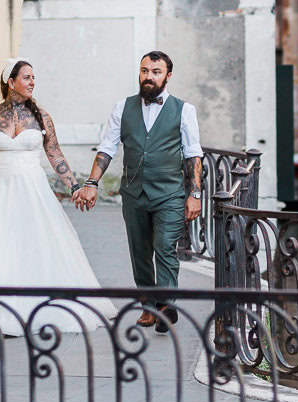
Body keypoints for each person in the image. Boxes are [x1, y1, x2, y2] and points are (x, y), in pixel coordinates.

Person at [0, 58, 105, 326]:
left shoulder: (42, 116)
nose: (32, 82)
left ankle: (37, 306)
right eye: (26, 77)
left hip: (32, 190)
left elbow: (54, 153)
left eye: (33, 78)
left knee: (35, 244)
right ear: (10, 82)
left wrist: (75, 186)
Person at [72, 52, 202, 325]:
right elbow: (107, 148)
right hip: (133, 192)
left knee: (165, 248)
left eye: (156, 71)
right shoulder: (122, 107)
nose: (149, 76)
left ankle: (165, 307)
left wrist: (195, 194)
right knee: (139, 251)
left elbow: (192, 155)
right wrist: (92, 182)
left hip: (169, 193)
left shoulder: (184, 110)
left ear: (168, 76)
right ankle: (148, 304)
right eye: (144, 70)